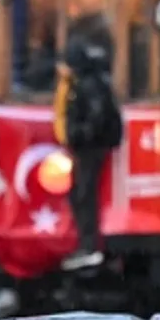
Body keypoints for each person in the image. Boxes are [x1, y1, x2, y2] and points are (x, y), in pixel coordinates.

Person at [54, 41, 122, 271]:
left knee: (84, 194)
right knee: (81, 193)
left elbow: (95, 118)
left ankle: (89, 246)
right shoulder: (86, 82)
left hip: (90, 148)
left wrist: (77, 135)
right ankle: (87, 244)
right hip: (89, 147)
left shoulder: (87, 85)